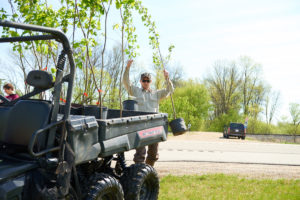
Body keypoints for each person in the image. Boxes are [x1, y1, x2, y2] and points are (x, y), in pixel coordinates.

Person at [123, 59, 174, 166]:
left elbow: (170, 90)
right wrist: (127, 68)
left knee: (153, 154)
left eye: (148, 81)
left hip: (154, 126)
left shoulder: (156, 93)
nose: (145, 82)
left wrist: (167, 78)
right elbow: (126, 83)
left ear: (150, 82)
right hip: (141, 125)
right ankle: (139, 171)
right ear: (140, 82)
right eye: (144, 80)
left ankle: (148, 170)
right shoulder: (135, 91)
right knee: (140, 154)